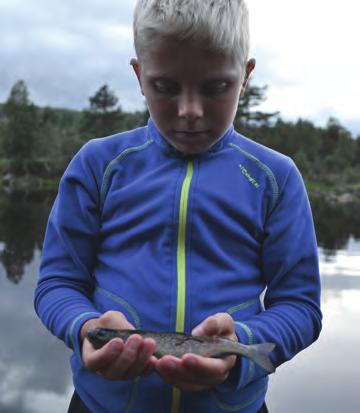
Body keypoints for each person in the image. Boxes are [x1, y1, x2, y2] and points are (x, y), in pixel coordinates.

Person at [34, 1, 322, 412]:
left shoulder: (275, 178)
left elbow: (300, 307)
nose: (190, 111)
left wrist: (238, 344)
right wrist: (85, 328)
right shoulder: (98, 165)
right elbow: (57, 283)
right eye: (166, 87)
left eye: (215, 86)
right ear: (139, 75)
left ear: (245, 77)